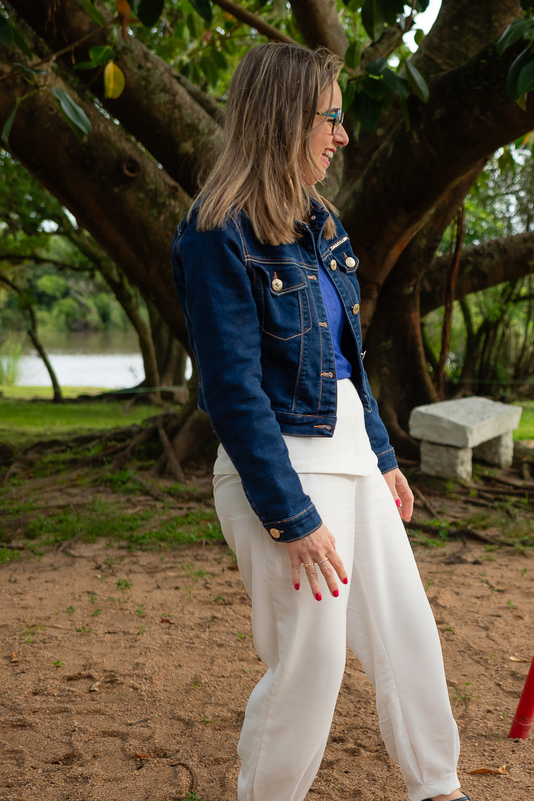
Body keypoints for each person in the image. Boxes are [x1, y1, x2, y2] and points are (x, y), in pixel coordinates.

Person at [171, 43, 471, 801]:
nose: (341, 135)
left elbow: (347, 362)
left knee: (406, 630)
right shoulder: (216, 232)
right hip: (285, 468)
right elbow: (232, 390)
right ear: (283, 120)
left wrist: (383, 456)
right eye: (329, 118)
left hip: (351, 456)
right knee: (312, 659)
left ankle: (438, 787)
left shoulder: (320, 222)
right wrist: (291, 515)